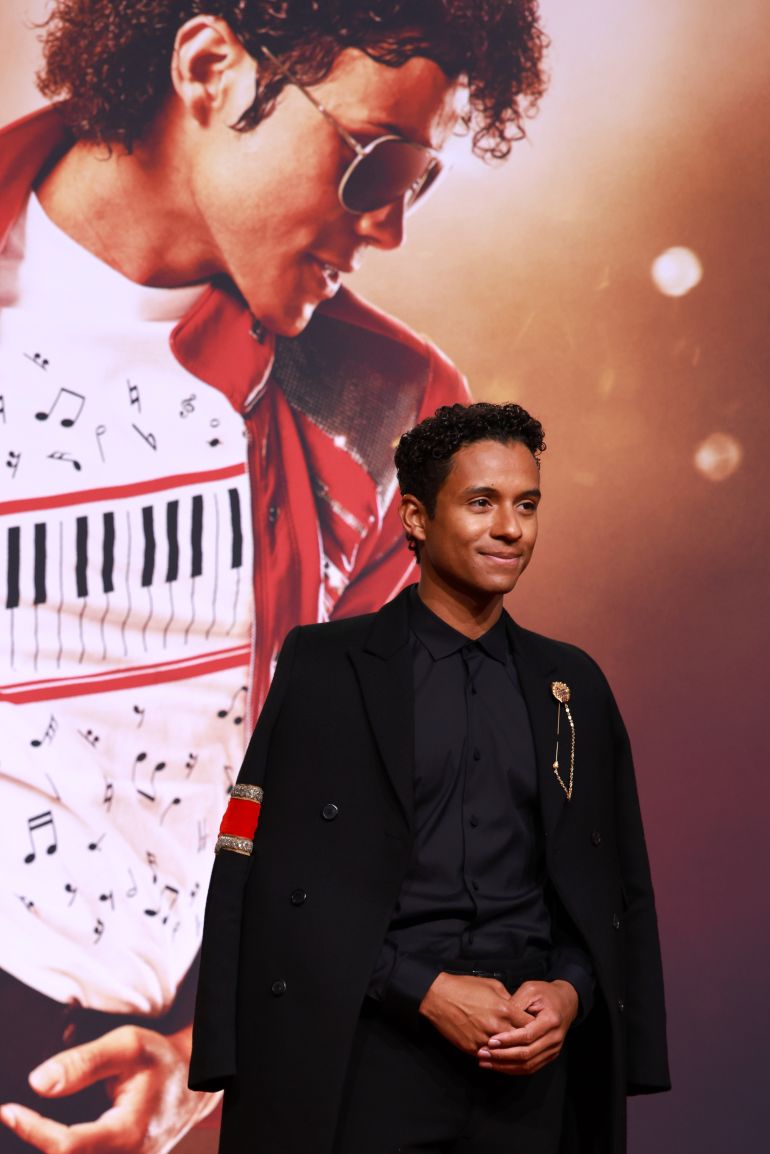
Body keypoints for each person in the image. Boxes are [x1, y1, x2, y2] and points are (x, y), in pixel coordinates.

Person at [0, 3, 550, 1152]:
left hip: (83, 1080)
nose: (391, 225)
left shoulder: (394, 414)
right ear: (209, 69)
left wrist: (206, 1048)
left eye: (420, 177)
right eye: (372, 163)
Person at [191, 401, 670, 1153]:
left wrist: (571, 993)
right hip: (370, 1047)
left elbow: (611, 883)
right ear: (414, 517)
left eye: (527, 504)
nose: (510, 528)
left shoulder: (572, 683)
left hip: (533, 1069)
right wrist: (426, 990)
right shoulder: (326, 668)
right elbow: (266, 873)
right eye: (482, 503)